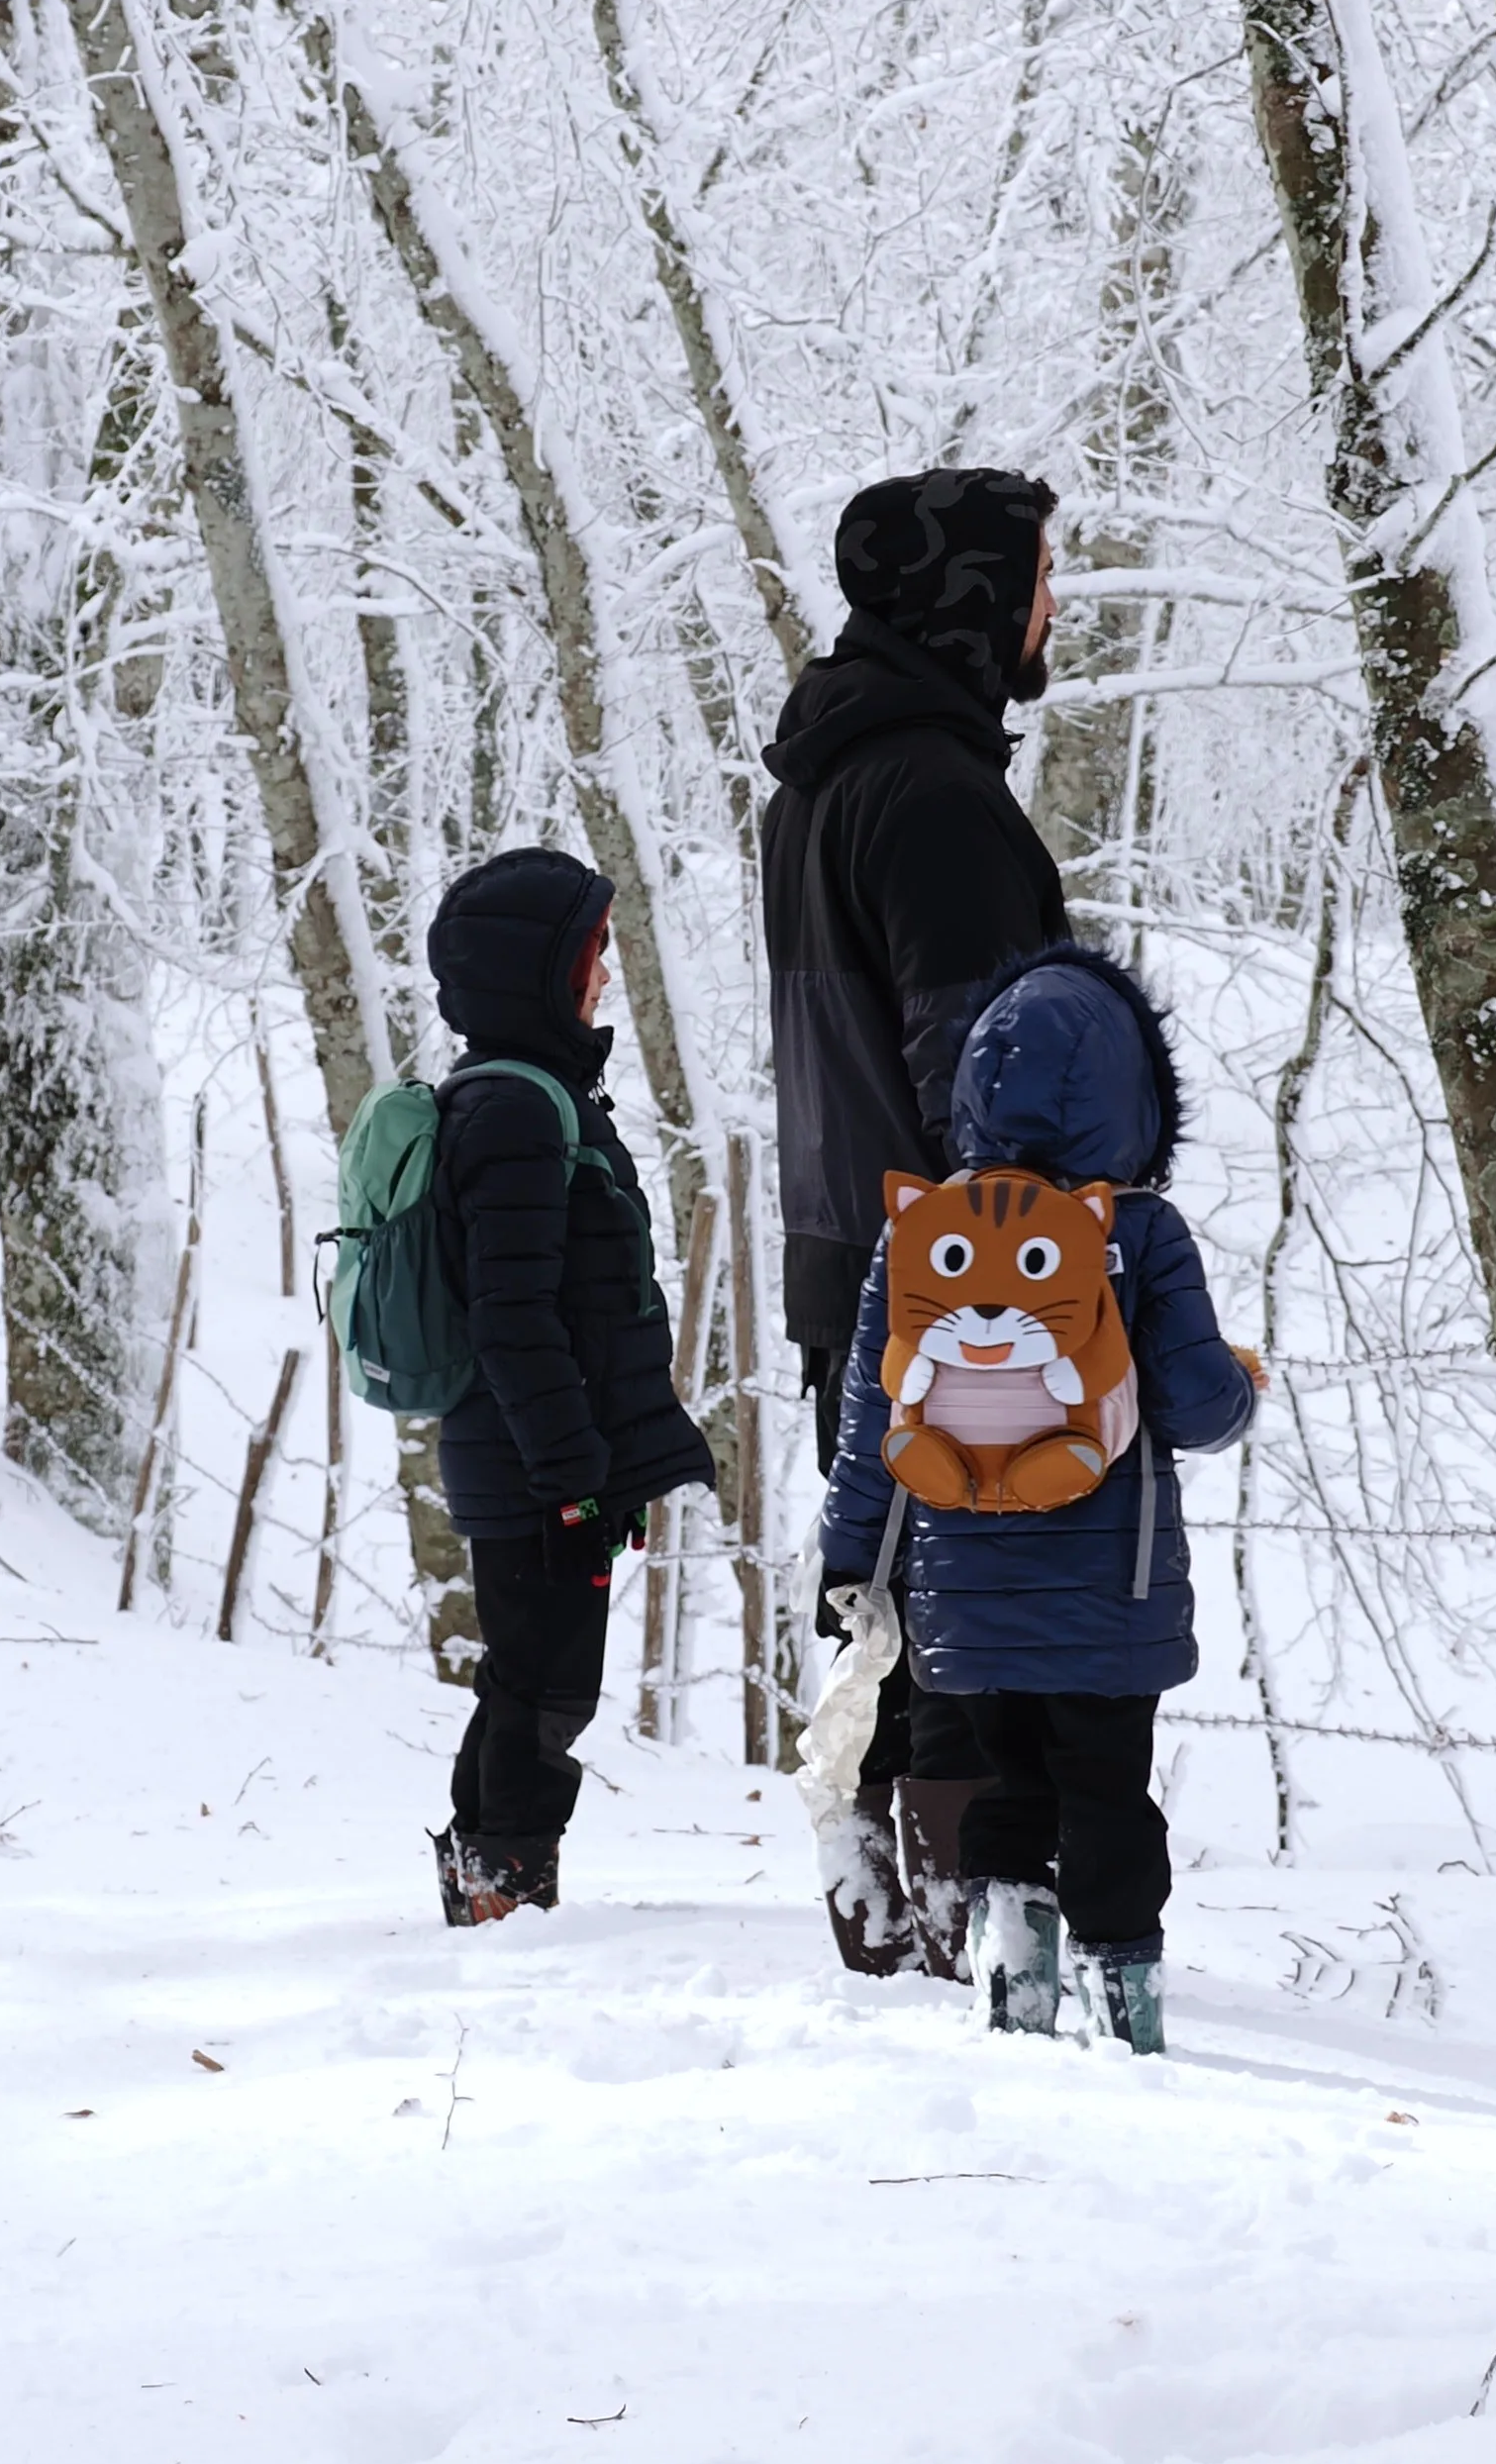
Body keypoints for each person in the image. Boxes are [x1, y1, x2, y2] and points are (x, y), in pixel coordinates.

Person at [812, 945, 1258, 2051]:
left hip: (965, 1598)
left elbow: (871, 1428)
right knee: (1108, 1798)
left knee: (1010, 1788)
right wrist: (1240, 1384)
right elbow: (1199, 1409)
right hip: (1113, 1594)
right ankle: (1127, 2020)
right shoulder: (1136, 1233)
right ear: (1136, 1100)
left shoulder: (922, 1235)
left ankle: (1013, 1994)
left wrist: (851, 1564)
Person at [760, 467, 1069, 1972]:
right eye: (1033, 581)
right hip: (970, 1268)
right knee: (972, 1608)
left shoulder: (824, 778)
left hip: (851, 1249)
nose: (1049, 609)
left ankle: (874, 1880)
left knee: (882, 1588)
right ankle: (965, 1913)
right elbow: (979, 1067)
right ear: (972, 600)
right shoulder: (937, 796)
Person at [421, 845, 714, 1923]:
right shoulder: (515, 1111)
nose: (604, 978)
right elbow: (513, 1315)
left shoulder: (536, 1097)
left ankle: (488, 1882)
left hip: (541, 1456)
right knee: (543, 1684)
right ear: (530, 973)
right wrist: (575, 1473)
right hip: (533, 1462)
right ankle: (503, 1892)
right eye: (589, 955)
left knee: (534, 1677)